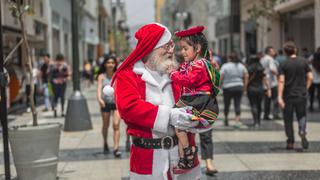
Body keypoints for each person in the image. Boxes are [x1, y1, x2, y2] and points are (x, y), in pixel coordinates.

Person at [107, 23, 201, 179]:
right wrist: (170, 115)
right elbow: (128, 107)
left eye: (172, 45)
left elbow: (195, 100)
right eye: (167, 45)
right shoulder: (128, 75)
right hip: (147, 159)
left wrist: (199, 116)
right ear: (151, 48)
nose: (172, 50)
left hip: (182, 155)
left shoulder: (178, 72)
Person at [168, 26, 220, 174]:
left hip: (198, 101)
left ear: (197, 48)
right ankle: (186, 156)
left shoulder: (199, 64)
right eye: (181, 48)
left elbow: (189, 80)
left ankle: (188, 155)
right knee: (178, 125)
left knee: (177, 122)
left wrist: (173, 74)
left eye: (185, 49)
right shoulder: (194, 64)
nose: (182, 52)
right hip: (194, 99)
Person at [278, 41, 313, 150]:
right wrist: (305, 88)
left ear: (285, 52)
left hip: (288, 96)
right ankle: (302, 130)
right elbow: (310, 77)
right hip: (301, 95)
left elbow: (281, 81)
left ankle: (290, 142)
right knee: (301, 115)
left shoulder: (283, 64)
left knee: (288, 119)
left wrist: (279, 96)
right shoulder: (304, 61)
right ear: (295, 50)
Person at [97, 55, 121, 157]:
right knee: (105, 126)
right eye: (108, 63)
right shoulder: (101, 76)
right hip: (105, 103)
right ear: (105, 64)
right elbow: (98, 89)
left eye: (112, 62)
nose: (110, 64)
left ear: (115, 64)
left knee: (116, 124)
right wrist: (99, 99)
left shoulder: (118, 75)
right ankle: (105, 142)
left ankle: (116, 148)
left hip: (116, 104)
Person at [220, 52, 249, 128]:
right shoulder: (241, 66)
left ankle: (226, 118)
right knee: (238, 104)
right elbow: (246, 75)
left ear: (229, 58)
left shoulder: (225, 66)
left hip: (227, 87)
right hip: (239, 86)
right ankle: (237, 121)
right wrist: (245, 87)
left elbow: (221, 76)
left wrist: (219, 86)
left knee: (227, 104)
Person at [246, 55, 271, 127]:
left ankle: (255, 121)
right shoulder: (261, 68)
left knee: (253, 105)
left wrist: (244, 89)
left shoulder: (249, 68)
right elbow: (265, 79)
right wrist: (268, 88)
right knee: (259, 105)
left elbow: (247, 79)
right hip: (260, 88)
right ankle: (259, 121)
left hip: (251, 88)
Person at [261, 46, 280, 120]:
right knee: (275, 99)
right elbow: (272, 69)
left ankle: (266, 114)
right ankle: (276, 114)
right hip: (272, 83)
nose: (274, 52)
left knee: (267, 100)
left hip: (265, 82)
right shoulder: (270, 59)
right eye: (273, 51)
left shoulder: (262, 59)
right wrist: (279, 74)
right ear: (269, 52)